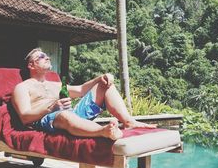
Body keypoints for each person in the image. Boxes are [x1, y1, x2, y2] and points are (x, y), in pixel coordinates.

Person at [12, 48, 156, 140]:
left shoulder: (55, 85)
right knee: (63, 115)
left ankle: (128, 122)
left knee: (106, 86)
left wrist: (101, 78)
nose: (47, 57)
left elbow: (81, 90)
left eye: (47, 55)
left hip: (71, 114)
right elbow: (25, 117)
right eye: (42, 56)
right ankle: (103, 131)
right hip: (47, 120)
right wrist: (52, 108)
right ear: (31, 65)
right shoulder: (22, 87)